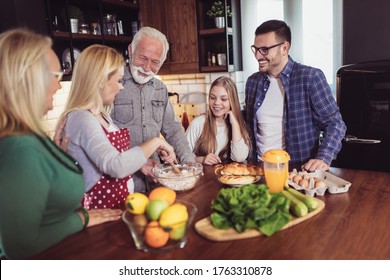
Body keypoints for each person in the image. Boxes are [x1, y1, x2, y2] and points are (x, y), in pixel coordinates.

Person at [0, 28, 121, 259]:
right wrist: (81, 218)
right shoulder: (19, 148)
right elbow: (20, 246)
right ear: (29, 79)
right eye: (56, 75)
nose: (59, 85)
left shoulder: (27, 136)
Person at [58, 44, 176, 210]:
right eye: (119, 80)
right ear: (100, 81)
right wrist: (156, 142)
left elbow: (109, 156)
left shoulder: (100, 115)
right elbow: (115, 166)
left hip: (117, 208)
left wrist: (140, 164)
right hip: (99, 212)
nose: (122, 86)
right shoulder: (81, 118)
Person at [244, 20, 346, 171]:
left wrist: (323, 158)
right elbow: (248, 126)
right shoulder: (252, 82)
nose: (258, 56)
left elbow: (335, 124)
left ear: (284, 48)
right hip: (259, 170)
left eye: (264, 49)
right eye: (256, 49)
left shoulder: (310, 78)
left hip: (297, 172)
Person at [110, 26, 195, 192]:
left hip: (156, 182)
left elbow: (173, 130)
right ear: (130, 50)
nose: (147, 67)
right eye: (143, 58)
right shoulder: (112, 86)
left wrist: (190, 164)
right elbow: (104, 137)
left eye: (155, 62)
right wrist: (136, 161)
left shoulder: (160, 89)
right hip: (123, 183)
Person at [185, 76, 250, 165]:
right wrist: (202, 159)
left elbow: (239, 158)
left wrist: (234, 124)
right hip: (204, 178)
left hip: (228, 177)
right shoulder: (198, 123)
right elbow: (181, 156)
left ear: (232, 101)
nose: (216, 103)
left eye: (223, 99)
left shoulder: (238, 125)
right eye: (212, 97)